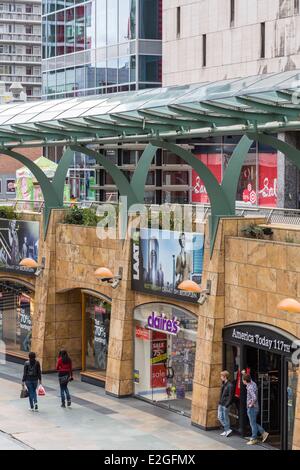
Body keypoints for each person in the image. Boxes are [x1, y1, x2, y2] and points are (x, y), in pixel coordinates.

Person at [242, 374, 269, 445]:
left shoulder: (250, 387)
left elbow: (254, 397)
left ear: (245, 380)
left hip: (252, 408)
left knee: (252, 424)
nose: (242, 381)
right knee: (253, 422)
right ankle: (263, 433)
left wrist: (250, 404)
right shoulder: (253, 383)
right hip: (256, 407)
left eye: (243, 380)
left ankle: (254, 439)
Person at [218, 370, 234, 437]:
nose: (221, 377)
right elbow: (222, 394)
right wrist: (220, 402)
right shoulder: (224, 384)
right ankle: (227, 430)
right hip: (221, 403)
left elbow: (230, 396)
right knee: (220, 417)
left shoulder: (230, 385)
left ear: (225, 377)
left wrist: (227, 405)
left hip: (225, 404)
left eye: (221, 376)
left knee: (225, 418)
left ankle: (226, 430)